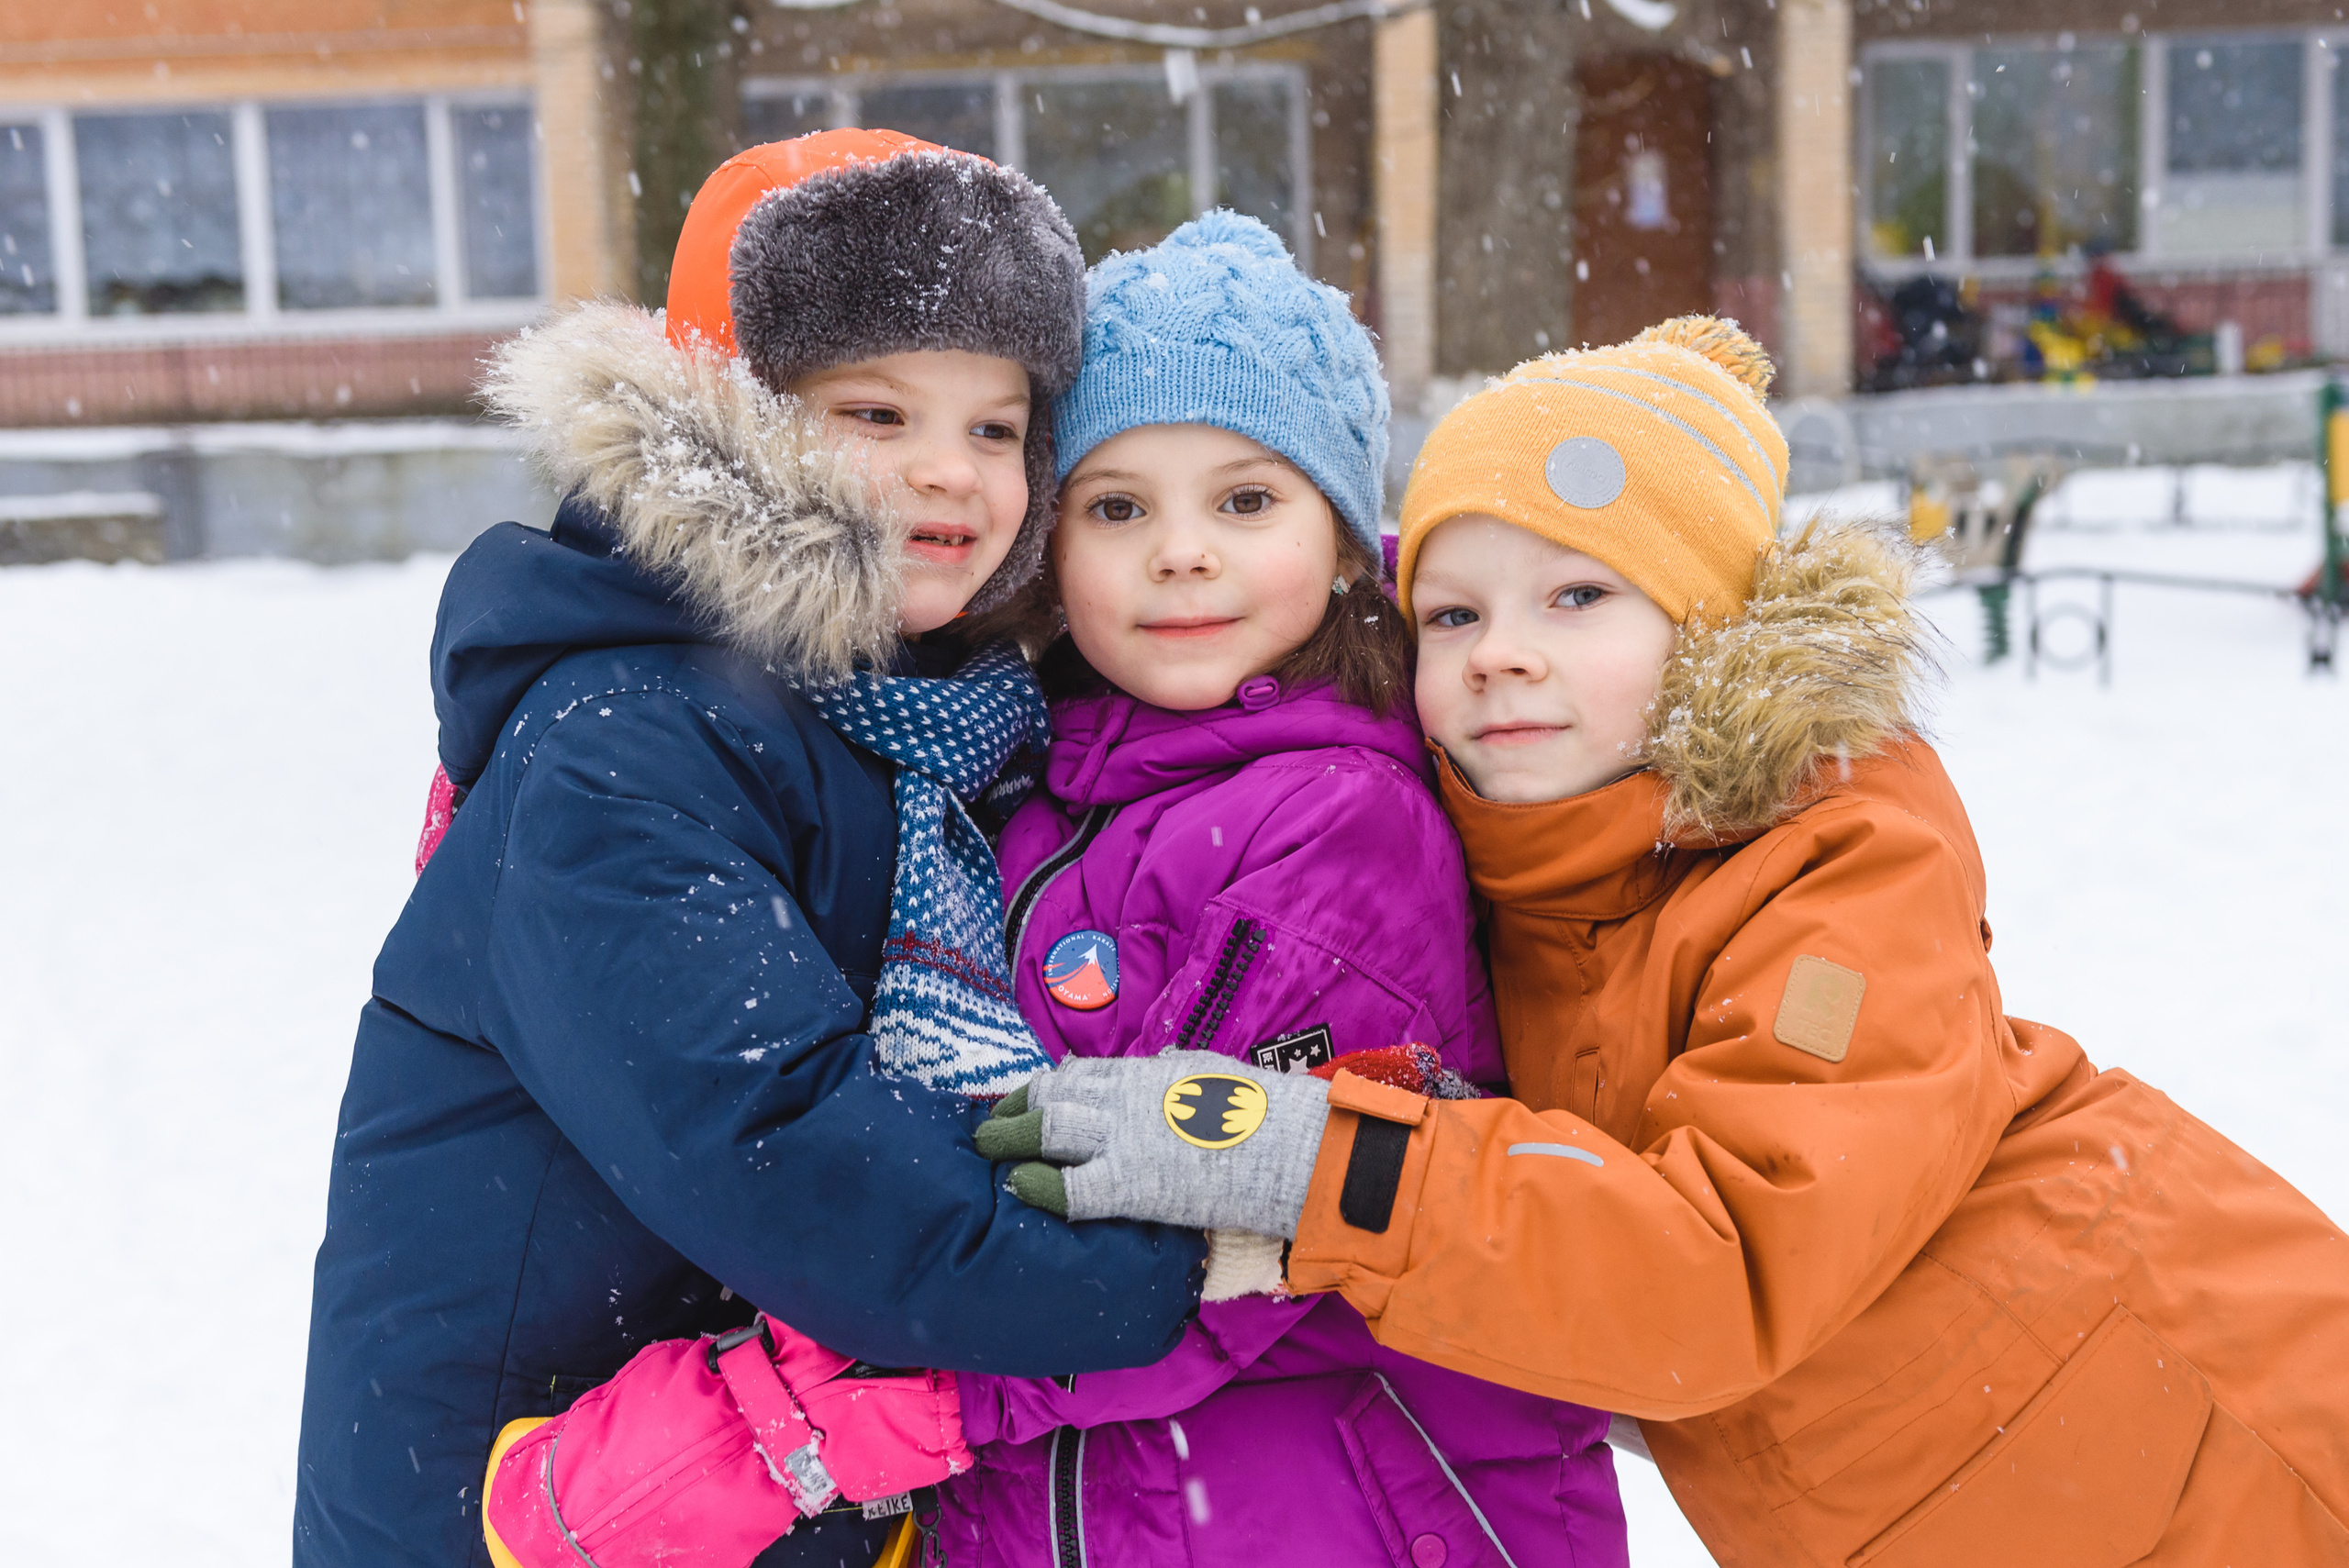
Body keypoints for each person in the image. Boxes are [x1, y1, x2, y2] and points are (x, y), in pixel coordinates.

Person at [986, 317, 2349, 1564]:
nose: (1502, 652)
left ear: (1709, 631)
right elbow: (1557, 1247)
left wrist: (1312, 1167)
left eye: (1578, 598)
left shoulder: (1836, 867)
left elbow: (1722, 1264)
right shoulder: (1511, 885)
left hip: (2233, 1458)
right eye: (1454, 613)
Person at [483, 211, 1626, 1568]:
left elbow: (1209, 1243)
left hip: (1318, 1512)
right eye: (1118, 507)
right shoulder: (1017, 779)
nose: (1181, 552)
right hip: (1076, 1510)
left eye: (1246, 501)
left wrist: (788, 1424)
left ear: (1342, 543)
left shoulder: (1342, 822)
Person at [293, 131, 1204, 1568]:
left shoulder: (921, 720)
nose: (950, 471)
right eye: (876, 411)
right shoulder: (623, 741)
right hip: (521, 1509)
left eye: (995, 426)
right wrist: (1169, 1263)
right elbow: (780, 1143)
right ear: (729, 416)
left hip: (716, 1497)